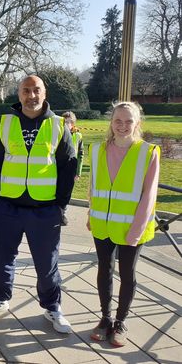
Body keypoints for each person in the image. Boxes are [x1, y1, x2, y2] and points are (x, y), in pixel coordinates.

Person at [0, 75, 77, 334]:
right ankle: (0, 299)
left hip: (44, 210)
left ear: (45, 93)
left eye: (36, 90)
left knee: (47, 264)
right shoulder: (7, 123)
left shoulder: (57, 125)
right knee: (3, 258)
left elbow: (68, 166)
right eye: (26, 91)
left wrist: (61, 205)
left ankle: (52, 307)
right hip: (8, 206)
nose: (31, 96)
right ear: (19, 94)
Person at [88, 102, 159, 347]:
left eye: (129, 121)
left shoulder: (148, 152)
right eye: (118, 121)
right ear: (111, 122)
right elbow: (93, 186)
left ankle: (121, 321)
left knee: (127, 274)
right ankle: (105, 318)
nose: (123, 126)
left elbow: (149, 195)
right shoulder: (97, 149)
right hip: (102, 223)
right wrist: (90, 214)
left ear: (137, 123)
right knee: (103, 270)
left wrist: (137, 230)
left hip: (132, 227)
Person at [61, 111, 84, 226]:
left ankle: (63, 212)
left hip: (71, 168)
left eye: (69, 122)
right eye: (64, 122)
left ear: (73, 124)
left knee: (67, 192)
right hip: (59, 168)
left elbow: (81, 155)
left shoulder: (78, 136)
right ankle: (59, 212)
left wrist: (78, 172)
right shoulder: (59, 133)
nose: (66, 124)